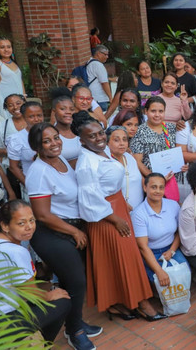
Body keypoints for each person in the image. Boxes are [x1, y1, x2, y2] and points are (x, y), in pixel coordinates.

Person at [72, 112, 162, 321]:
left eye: (100, 133)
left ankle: (116, 303)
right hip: (106, 216)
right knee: (123, 256)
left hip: (117, 206)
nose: (99, 138)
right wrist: (115, 218)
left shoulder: (102, 153)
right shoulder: (87, 163)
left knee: (116, 259)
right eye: (92, 136)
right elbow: (90, 200)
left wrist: (123, 203)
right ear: (82, 140)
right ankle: (140, 303)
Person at [24, 123, 99, 349]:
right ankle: (74, 331)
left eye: (56, 138)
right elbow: (42, 215)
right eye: (47, 141)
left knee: (73, 281)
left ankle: (75, 321)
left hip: (69, 227)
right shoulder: (38, 172)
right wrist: (75, 231)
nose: (55, 143)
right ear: (37, 147)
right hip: (52, 233)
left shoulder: (61, 159)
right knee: (76, 282)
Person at [0, 201, 71, 344]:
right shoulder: (16, 252)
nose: (29, 227)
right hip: (2, 323)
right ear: (5, 226)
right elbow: (31, 294)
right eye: (21, 223)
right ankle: (43, 344)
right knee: (62, 302)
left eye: (31, 220)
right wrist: (50, 294)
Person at [132, 173, 189, 286]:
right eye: (153, 187)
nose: (157, 191)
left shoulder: (173, 205)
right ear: (145, 187)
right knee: (163, 282)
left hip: (172, 248)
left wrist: (172, 251)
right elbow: (143, 247)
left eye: (161, 187)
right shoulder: (138, 214)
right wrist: (159, 271)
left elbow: (179, 232)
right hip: (151, 253)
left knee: (185, 275)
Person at [131, 96, 187, 190]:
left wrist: (182, 165)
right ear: (146, 111)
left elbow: (179, 152)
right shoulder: (139, 132)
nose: (157, 115)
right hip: (153, 184)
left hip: (174, 180)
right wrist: (155, 179)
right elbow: (137, 161)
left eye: (161, 111)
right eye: (153, 111)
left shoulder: (172, 128)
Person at [7, 101, 44, 190]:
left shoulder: (51, 133)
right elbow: (13, 167)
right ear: (24, 117)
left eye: (39, 115)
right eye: (31, 116)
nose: (36, 119)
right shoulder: (17, 139)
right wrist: (28, 184)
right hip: (33, 183)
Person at [107, 125, 144, 209]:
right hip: (118, 211)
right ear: (107, 142)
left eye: (124, 139)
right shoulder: (106, 162)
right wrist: (123, 205)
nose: (122, 143)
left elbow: (140, 179)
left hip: (137, 211)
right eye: (116, 140)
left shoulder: (130, 157)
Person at [51, 96, 81, 164]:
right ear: (54, 111)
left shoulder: (80, 130)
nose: (68, 112)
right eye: (63, 109)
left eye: (72, 109)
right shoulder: (50, 135)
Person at [84, 45, 113, 112]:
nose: (107, 57)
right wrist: (110, 98)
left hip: (93, 97)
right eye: (105, 54)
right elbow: (104, 83)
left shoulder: (89, 63)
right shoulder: (98, 65)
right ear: (98, 54)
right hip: (100, 99)